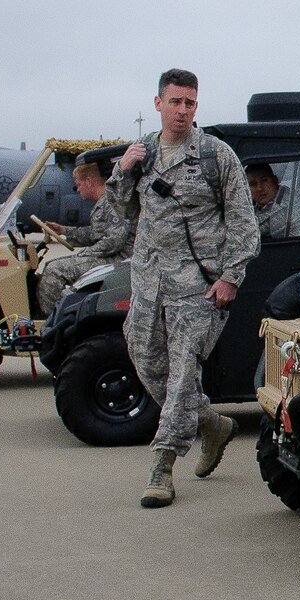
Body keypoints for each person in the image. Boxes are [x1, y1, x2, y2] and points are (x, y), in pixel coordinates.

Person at [111, 69, 260, 508]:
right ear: (158, 104)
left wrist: (231, 276)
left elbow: (244, 224)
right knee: (147, 361)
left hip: (197, 289)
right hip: (148, 285)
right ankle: (212, 423)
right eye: (175, 102)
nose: (182, 110)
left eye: (190, 103)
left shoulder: (216, 156)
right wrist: (122, 171)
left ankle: (162, 465)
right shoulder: (141, 156)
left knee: (181, 376)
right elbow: (114, 214)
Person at [34, 158, 134, 315]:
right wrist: (64, 230)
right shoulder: (104, 202)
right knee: (50, 265)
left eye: (79, 185)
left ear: (89, 181)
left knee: (55, 270)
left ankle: (52, 322)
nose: (78, 189)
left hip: (120, 258)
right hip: (113, 255)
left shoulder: (112, 202)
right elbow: (96, 233)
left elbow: (115, 240)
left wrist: (85, 254)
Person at [246, 161, 300, 239]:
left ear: (275, 181)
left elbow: (246, 233)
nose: (259, 188)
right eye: (253, 184)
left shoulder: (284, 206)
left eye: (264, 180)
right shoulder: (267, 202)